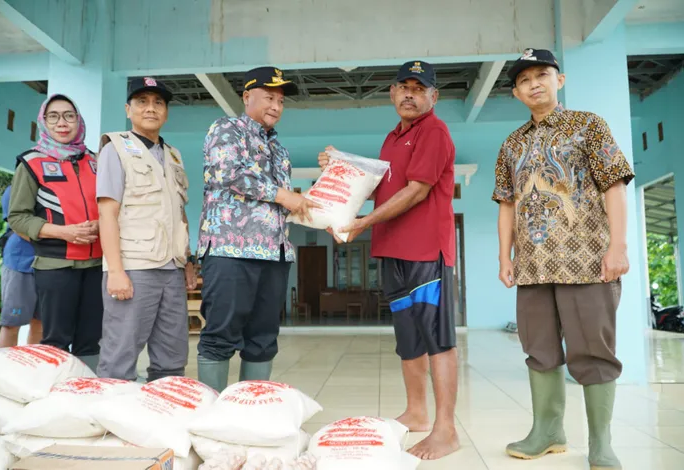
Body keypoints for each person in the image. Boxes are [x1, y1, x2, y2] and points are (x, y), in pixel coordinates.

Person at [492, 48, 633, 470]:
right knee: (539, 350)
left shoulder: (590, 126)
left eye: (542, 75)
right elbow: (506, 203)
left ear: (560, 80)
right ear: (516, 93)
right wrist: (505, 256)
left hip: (588, 261)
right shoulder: (511, 144)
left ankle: (601, 443)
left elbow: (614, 186)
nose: (534, 83)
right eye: (524, 80)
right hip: (533, 267)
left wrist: (618, 246)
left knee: (593, 351)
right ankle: (548, 431)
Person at [318, 60, 459, 460]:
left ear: (434, 96)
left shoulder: (434, 131)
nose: (410, 94)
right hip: (391, 250)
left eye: (419, 87)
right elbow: (380, 182)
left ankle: (446, 430)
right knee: (408, 339)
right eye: (403, 87)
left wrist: (362, 223)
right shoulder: (393, 139)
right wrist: (339, 167)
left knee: (438, 339)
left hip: (425, 251)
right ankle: (416, 412)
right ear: (392, 93)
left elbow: (416, 191)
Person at [196, 66, 320, 392]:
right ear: (247, 96)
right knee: (221, 334)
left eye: (280, 100)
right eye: (269, 97)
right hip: (230, 250)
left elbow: (285, 205)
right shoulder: (227, 129)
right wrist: (286, 196)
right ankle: (212, 417)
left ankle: (248, 416)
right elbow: (229, 174)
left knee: (264, 337)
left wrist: (319, 211)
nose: (276, 106)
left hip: (274, 253)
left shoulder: (280, 150)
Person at [95, 77, 197, 382]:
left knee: (172, 355)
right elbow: (107, 213)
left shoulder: (173, 155)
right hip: (134, 267)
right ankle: (111, 421)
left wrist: (188, 262)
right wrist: (115, 270)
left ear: (165, 112)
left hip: (172, 268)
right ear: (129, 109)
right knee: (120, 355)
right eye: (142, 102)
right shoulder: (116, 149)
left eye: (158, 102)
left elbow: (179, 213)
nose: (150, 108)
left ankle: (161, 416)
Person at [7, 94, 103, 371]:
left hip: (96, 265)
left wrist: (101, 224)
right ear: (44, 122)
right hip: (55, 266)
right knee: (57, 339)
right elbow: (18, 218)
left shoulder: (95, 161)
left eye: (69, 116)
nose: (62, 123)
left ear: (79, 120)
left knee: (91, 340)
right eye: (54, 116)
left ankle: (86, 393)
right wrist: (65, 233)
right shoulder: (31, 163)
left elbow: (109, 206)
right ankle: (55, 397)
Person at [0, 185, 42, 348]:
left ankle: (32, 371)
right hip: (21, 261)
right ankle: (3, 371)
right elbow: (17, 224)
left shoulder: (56, 186)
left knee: (40, 323)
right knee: (11, 323)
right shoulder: (14, 189)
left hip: (50, 263)